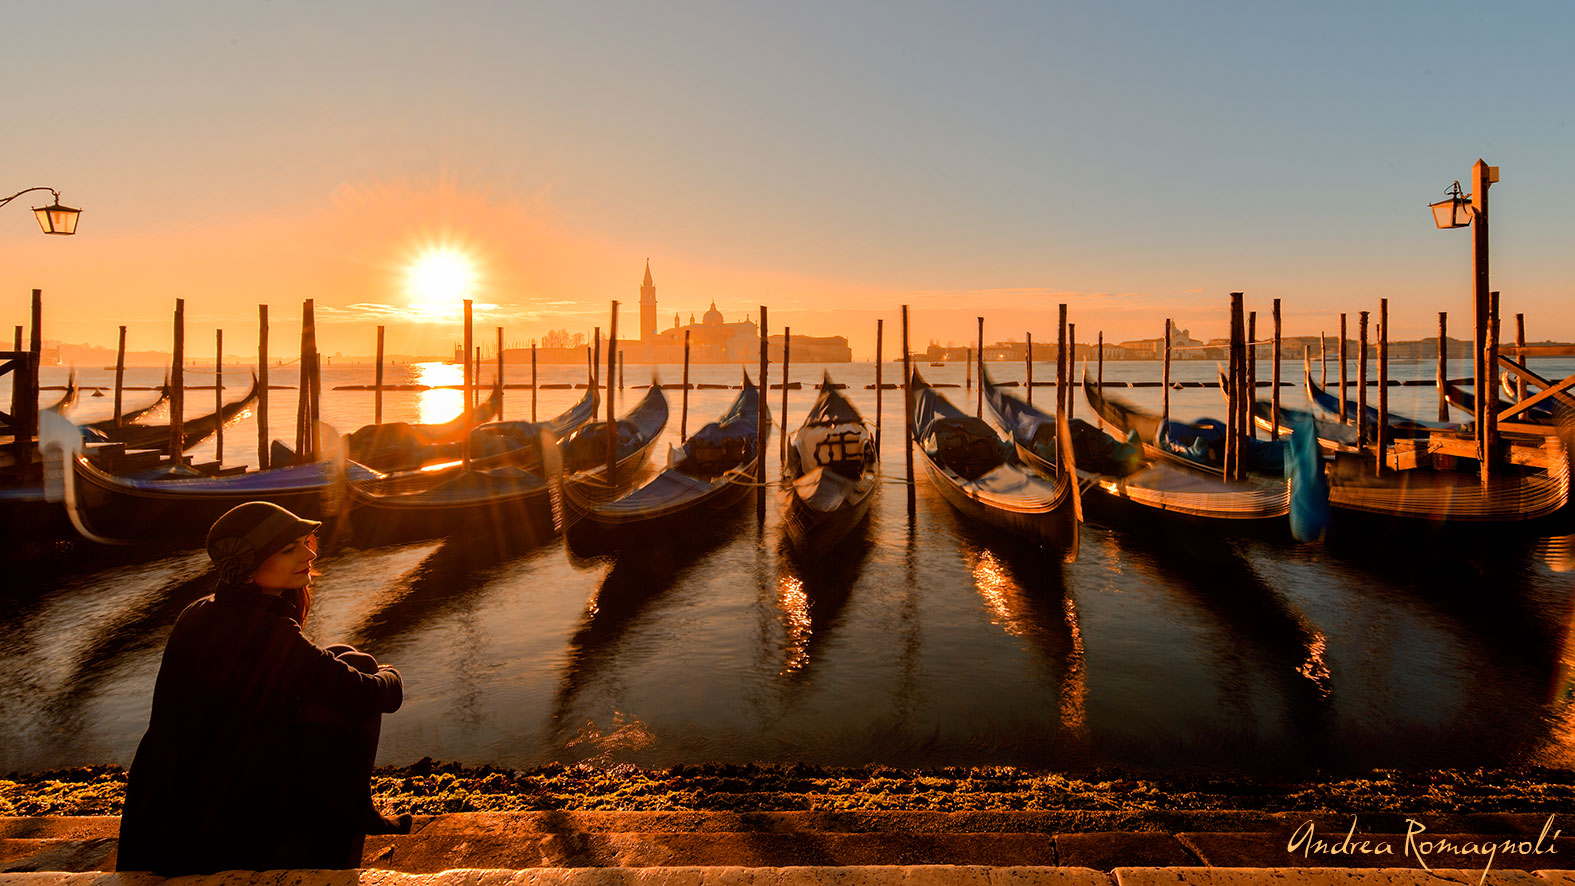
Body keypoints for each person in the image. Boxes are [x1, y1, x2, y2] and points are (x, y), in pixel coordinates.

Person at [117, 501, 410, 875]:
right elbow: (378, 695)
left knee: (348, 661)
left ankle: (356, 809)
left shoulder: (201, 611)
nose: (308, 553)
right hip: (215, 820)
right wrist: (391, 672)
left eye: (304, 542)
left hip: (168, 799)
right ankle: (349, 820)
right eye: (289, 549)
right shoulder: (264, 631)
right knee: (364, 673)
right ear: (250, 570)